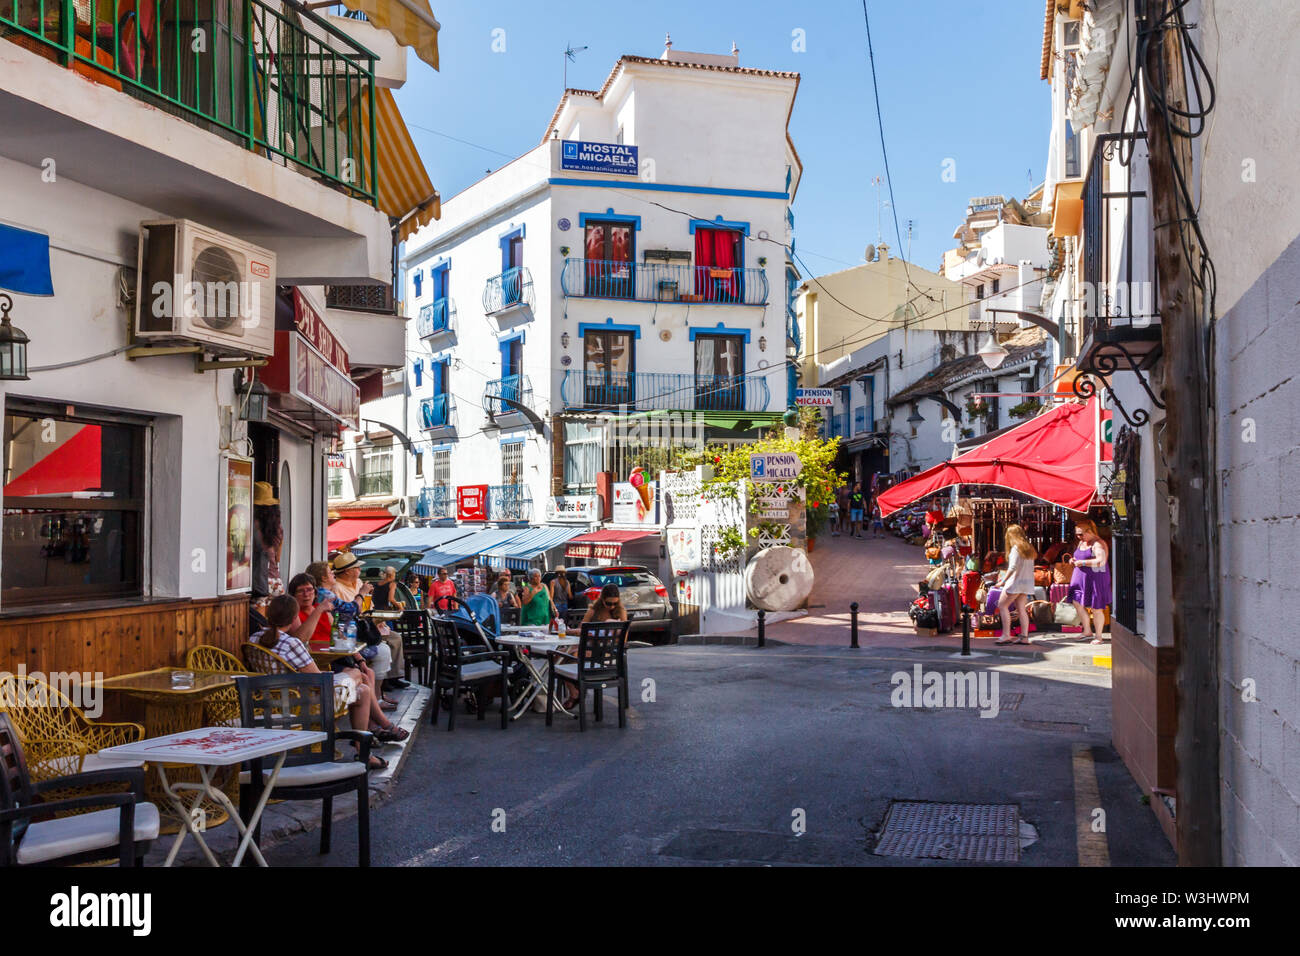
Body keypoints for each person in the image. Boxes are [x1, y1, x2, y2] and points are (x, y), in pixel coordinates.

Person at [255, 595, 406, 769]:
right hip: (302, 702)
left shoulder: (255, 638)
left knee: (361, 684)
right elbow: (320, 681)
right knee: (361, 684)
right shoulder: (291, 644)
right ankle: (365, 750)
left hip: (270, 699)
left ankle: (373, 736)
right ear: (294, 617)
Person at [333, 551, 408, 694]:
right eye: (356, 568)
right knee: (386, 645)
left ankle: (393, 677)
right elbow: (349, 614)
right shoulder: (338, 588)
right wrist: (362, 594)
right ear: (347, 571)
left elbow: (370, 607)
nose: (359, 570)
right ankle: (382, 686)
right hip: (356, 631)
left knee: (395, 637)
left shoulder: (359, 583)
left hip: (368, 625)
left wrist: (378, 620)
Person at [1068, 519, 1112, 644]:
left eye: (1081, 534)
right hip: (1080, 577)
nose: (1079, 537)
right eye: (1077, 534)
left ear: (1090, 531)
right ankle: (1087, 630)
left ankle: (1098, 636)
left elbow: (1101, 561)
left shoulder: (1098, 544)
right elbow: (1079, 556)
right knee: (1077, 602)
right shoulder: (1082, 543)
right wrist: (1073, 560)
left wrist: (1082, 563)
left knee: (1096, 607)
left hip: (1095, 578)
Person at [995, 525, 1037, 645]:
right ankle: (1024, 636)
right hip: (1026, 583)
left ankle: (1006, 635)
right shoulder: (1028, 548)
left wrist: (1003, 581)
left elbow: (1012, 567)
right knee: (1021, 609)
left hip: (1015, 582)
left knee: (1002, 605)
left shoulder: (1015, 548)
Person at [251, 482, 283, 598]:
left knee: (259, 616)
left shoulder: (252, 525)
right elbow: (277, 557)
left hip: (259, 581)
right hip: (275, 580)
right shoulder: (278, 528)